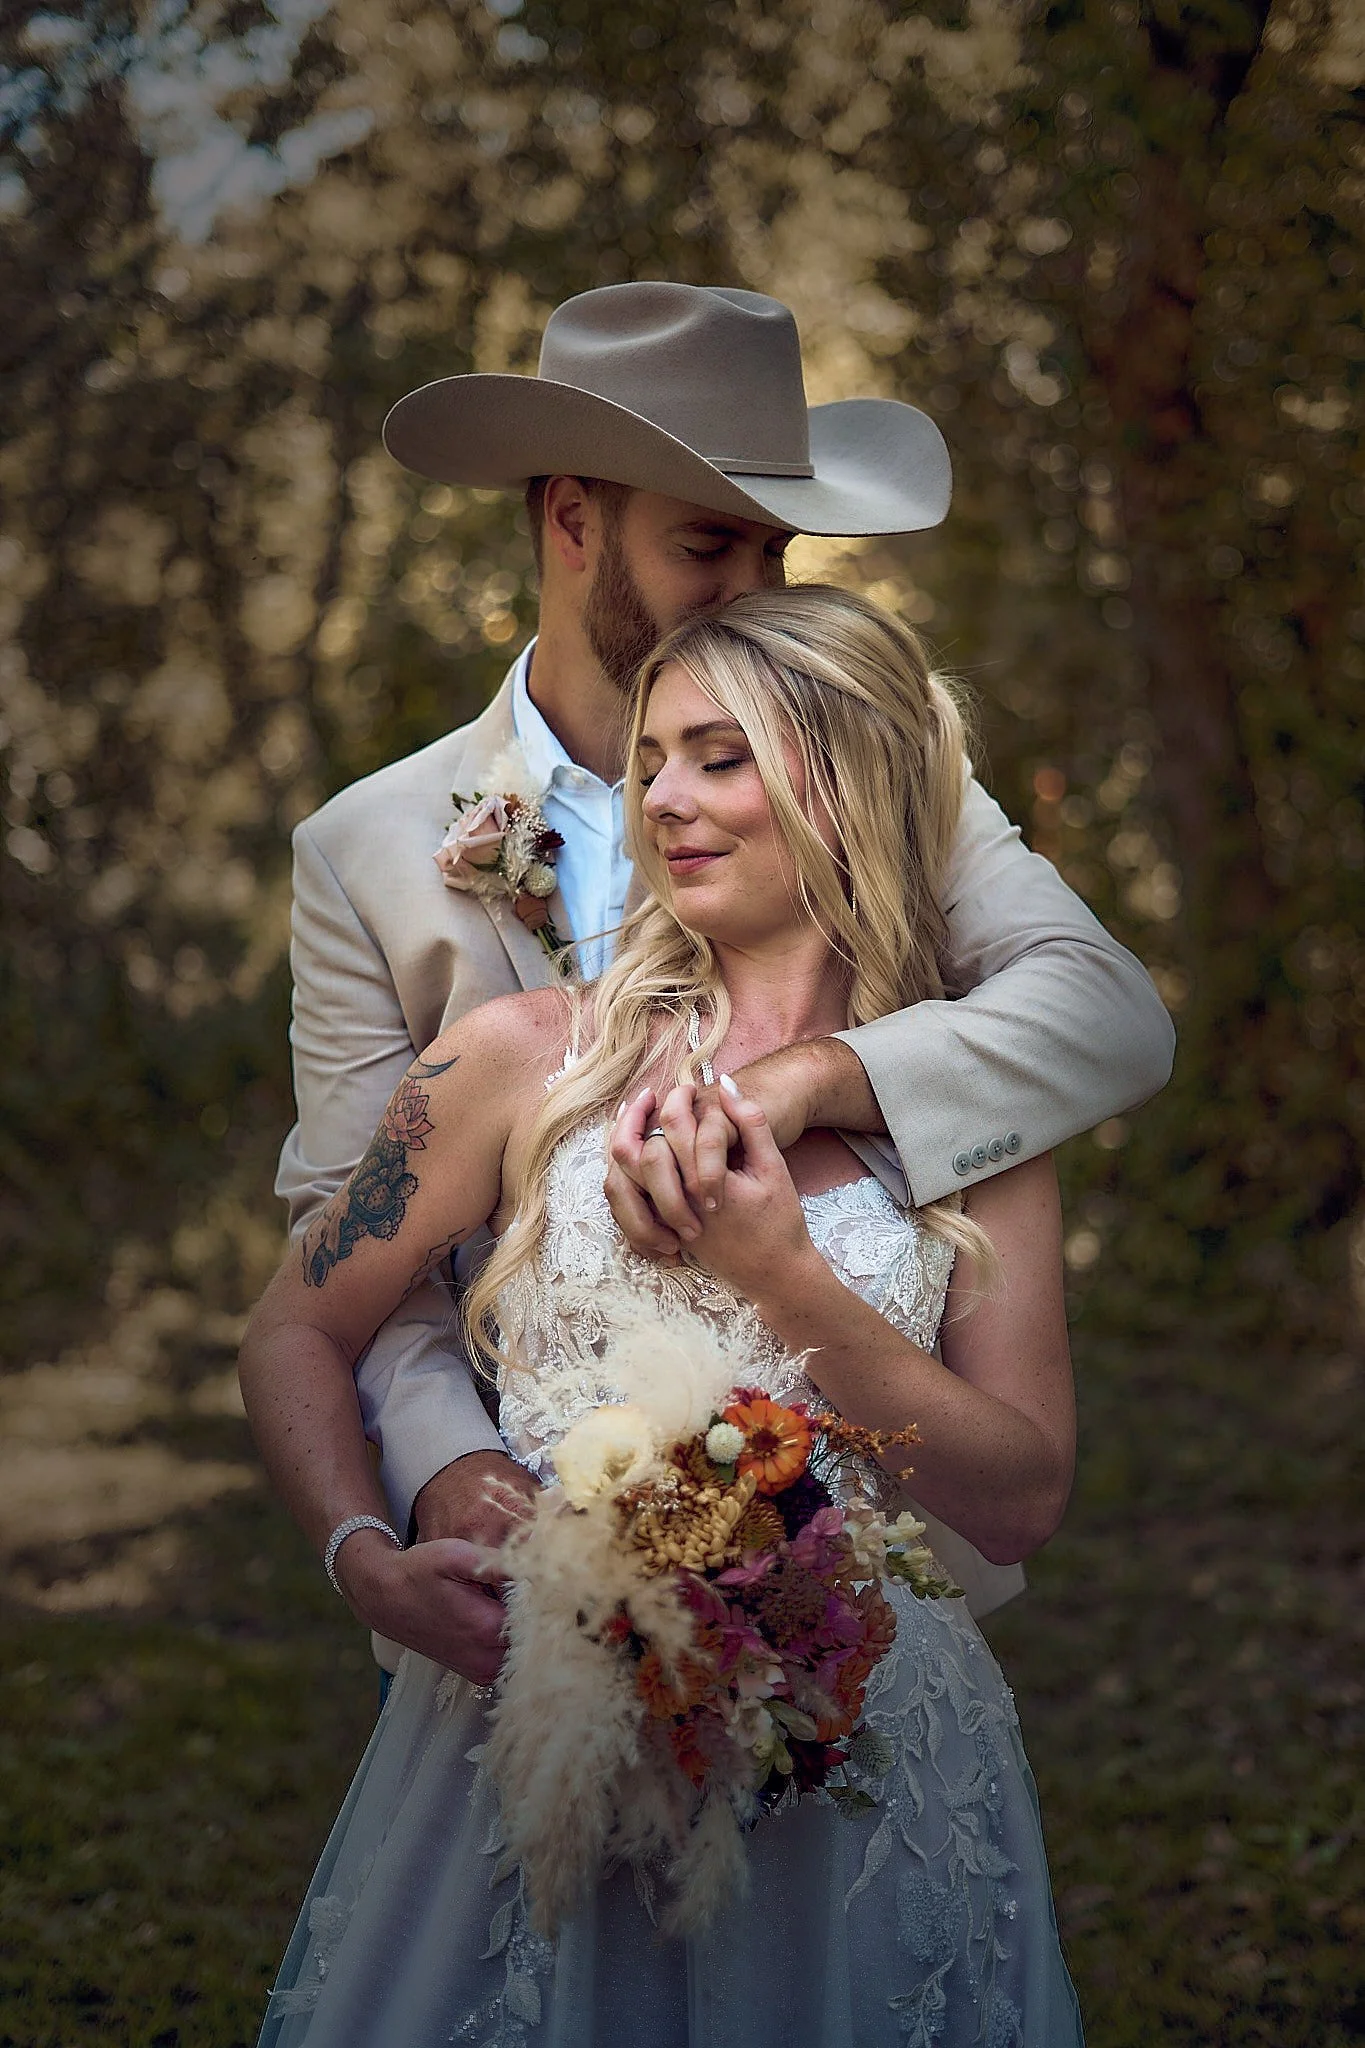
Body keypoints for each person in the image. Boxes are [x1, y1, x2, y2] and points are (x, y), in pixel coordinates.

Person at [276, 281, 1173, 1682]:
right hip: (528, 1604)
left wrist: (818, 1082)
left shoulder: (887, 757)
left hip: (847, 1632)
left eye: (776, 545)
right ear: (574, 520)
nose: (755, 587)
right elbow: (334, 1253)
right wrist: (437, 1476)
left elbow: (1107, 1013)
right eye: (709, 544)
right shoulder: (369, 852)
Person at [243, 585, 1086, 2044]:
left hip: (864, 1766)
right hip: (538, 1741)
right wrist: (361, 1552)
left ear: (853, 775)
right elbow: (294, 1328)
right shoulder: (520, 1061)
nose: (662, 803)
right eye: (650, 762)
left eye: (721, 757)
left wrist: (787, 1280)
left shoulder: (979, 1123)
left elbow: (1019, 1501)